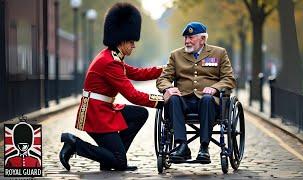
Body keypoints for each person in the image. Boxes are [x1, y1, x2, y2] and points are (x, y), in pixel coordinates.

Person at [59, 2, 164, 171]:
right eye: (131, 41)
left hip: (103, 109)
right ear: (121, 40)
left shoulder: (113, 57)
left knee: (139, 114)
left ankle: (111, 157)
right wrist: (160, 100)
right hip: (95, 115)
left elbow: (137, 73)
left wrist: (163, 70)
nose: (133, 45)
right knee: (119, 162)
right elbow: (132, 94)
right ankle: (74, 144)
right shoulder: (110, 62)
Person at [156, 22, 236, 163]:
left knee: (206, 99)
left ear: (203, 39)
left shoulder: (219, 53)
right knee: (173, 99)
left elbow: (229, 79)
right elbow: (163, 79)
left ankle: (204, 147)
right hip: (183, 101)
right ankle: (182, 145)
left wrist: (215, 88)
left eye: (191, 37)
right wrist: (168, 88)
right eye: (186, 37)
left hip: (209, 103)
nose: (187, 41)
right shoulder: (176, 55)